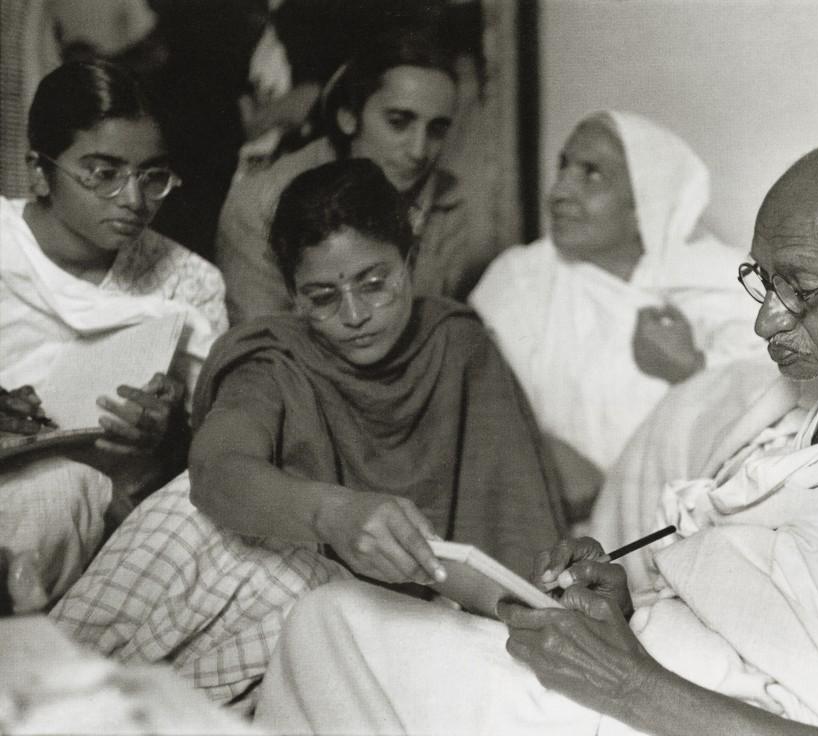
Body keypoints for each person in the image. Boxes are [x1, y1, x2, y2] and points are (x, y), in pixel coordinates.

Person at [254, 134, 818, 736]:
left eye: (797, 290)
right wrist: (628, 589)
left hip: (665, 709)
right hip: (650, 664)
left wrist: (626, 681)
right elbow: (764, 560)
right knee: (330, 622)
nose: (768, 320)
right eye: (761, 281)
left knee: (331, 633)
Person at [50, 158, 567, 708]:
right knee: (197, 520)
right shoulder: (273, 356)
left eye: (374, 284)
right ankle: (42, 693)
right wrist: (336, 515)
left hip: (428, 622)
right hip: (292, 612)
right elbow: (215, 472)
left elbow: (519, 533)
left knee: (304, 593)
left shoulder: (460, 347)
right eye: (322, 296)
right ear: (294, 296)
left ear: (410, 261)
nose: (354, 314)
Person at [0, 59, 226, 606]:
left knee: (65, 489)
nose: (133, 199)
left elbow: (219, 448)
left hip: (102, 526)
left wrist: (168, 434)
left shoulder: (188, 283)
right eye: (104, 173)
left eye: (152, 176)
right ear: (39, 171)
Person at [469, 110, 761, 517]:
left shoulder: (724, 283)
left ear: (646, 204)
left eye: (592, 175)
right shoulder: (521, 279)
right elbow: (477, 405)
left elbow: (776, 415)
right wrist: (540, 453)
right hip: (542, 516)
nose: (560, 191)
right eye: (563, 167)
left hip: (688, 522)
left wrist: (695, 370)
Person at [216, 25, 486, 324]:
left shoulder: (449, 201)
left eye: (436, 129)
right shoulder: (260, 206)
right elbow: (261, 350)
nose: (419, 151)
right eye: (398, 122)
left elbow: (435, 332)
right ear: (348, 117)